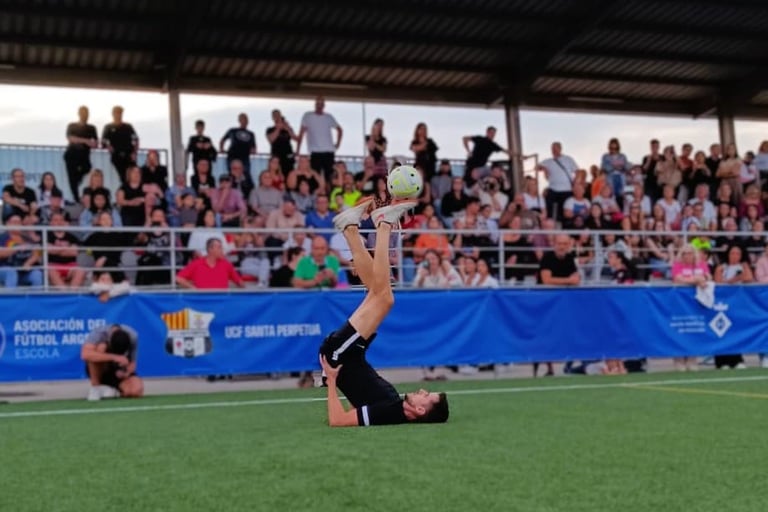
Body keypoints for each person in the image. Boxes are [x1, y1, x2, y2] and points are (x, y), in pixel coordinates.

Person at [318, 197, 449, 426]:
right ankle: (350, 229)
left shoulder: (389, 413)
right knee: (377, 291)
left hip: (339, 355)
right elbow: (359, 400)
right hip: (351, 354)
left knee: (385, 298)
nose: (422, 390)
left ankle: (384, 225)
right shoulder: (395, 405)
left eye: (426, 396)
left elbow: (338, 421)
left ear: (419, 410)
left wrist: (331, 380)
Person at [81, 325, 143, 401]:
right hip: (102, 369)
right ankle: (96, 388)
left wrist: (126, 373)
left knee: (135, 391)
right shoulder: (98, 334)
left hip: (119, 371)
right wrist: (114, 357)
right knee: (101, 347)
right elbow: (85, 355)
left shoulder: (133, 336)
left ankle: (114, 391)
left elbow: (132, 364)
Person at [296, 96, 342, 184]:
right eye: (318, 103)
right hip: (315, 152)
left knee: (329, 177)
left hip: (329, 151)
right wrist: (297, 150)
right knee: (315, 177)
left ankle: (329, 196)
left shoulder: (328, 117)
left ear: (324, 105)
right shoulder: (308, 116)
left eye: (321, 104)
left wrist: (338, 144)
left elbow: (340, 130)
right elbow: (301, 134)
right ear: (315, 104)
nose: (319, 105)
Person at [176, 237, 244, 290]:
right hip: (202, 302)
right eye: (219, 247)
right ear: (210, 249)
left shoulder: (226, 264)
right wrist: (193, 289)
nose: (222, 249)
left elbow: (239, 282)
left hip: (221, 302)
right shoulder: (196, 263)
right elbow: (178, 278)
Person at [63, 105, 98, 201]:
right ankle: (76, 198)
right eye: (82, 113)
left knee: (87, 169)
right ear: (79, 114)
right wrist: (86, 141)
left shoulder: (91, 128)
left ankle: (79, 188)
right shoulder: (72, 126)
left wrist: (81, 141)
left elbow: (95, 144)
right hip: (72, 154)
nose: (85, 116)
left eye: (86, 114)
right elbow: (71, 139)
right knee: (72, 178)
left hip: (84, 156)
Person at [101, 105, 139, 185]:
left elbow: (136, 139)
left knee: (134, 175)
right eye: (116, 113)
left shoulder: (128, 127)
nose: (118, 115)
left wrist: (134, 153)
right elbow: (103, 141)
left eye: (120, 113)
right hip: (117, 155)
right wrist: (108, 146)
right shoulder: (108, 127)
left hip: (129, 155)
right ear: (113, 114)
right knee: (124, 178)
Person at [220, 113, 257, 177]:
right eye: (242, 119)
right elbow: (223, 140)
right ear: (239, 120)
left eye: (246, 119)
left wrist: (253, 151)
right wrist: (221, 149)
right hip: (233, 155)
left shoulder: (251, 134)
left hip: (245, 157)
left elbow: (253, 146)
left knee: (246, 174)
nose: (244, 121)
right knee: (232, 174)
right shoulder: (232, 130)